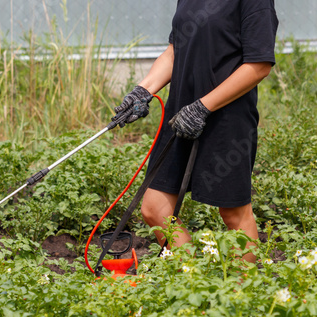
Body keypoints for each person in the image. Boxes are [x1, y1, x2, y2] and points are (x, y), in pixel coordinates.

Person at [114, 0, 278, 263]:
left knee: (234, 214)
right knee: (154, 208)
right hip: (180, 113)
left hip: (227, 116)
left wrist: (203, 107)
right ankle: (193, 283)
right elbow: (173, 52)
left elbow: (259, 65)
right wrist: (143, 90)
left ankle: (242, 296)